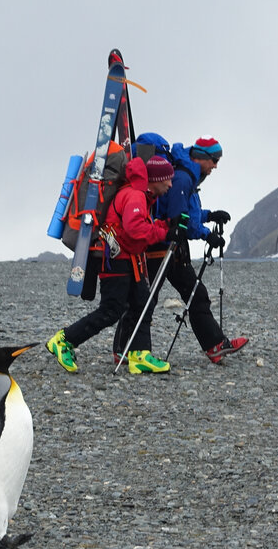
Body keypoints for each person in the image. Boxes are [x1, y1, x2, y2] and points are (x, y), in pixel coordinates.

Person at [47, 155, 183, 374]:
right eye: (167, 179)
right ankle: (63, 340)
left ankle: (140, 355)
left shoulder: (139, 194)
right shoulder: (135, 195)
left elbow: (135, 226)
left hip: (128, 259)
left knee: (141, 303)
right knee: (112, 310)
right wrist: (165, 232)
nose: (170, 184)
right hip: (116, 260)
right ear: (155, 179)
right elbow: (134, 229)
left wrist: (165, 224)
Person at [146, 135, 248, 364]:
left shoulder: (185, 174)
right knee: (148, 299)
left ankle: (215, 345)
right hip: (163, 248)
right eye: (214, 160)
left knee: (192, 295)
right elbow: (179, 219)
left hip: (169, 249)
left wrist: (209, 215)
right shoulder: (183, 178)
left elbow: (187, 214)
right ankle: (129, 350)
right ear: (201, 157)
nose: (215, 166)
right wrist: (206, 234)